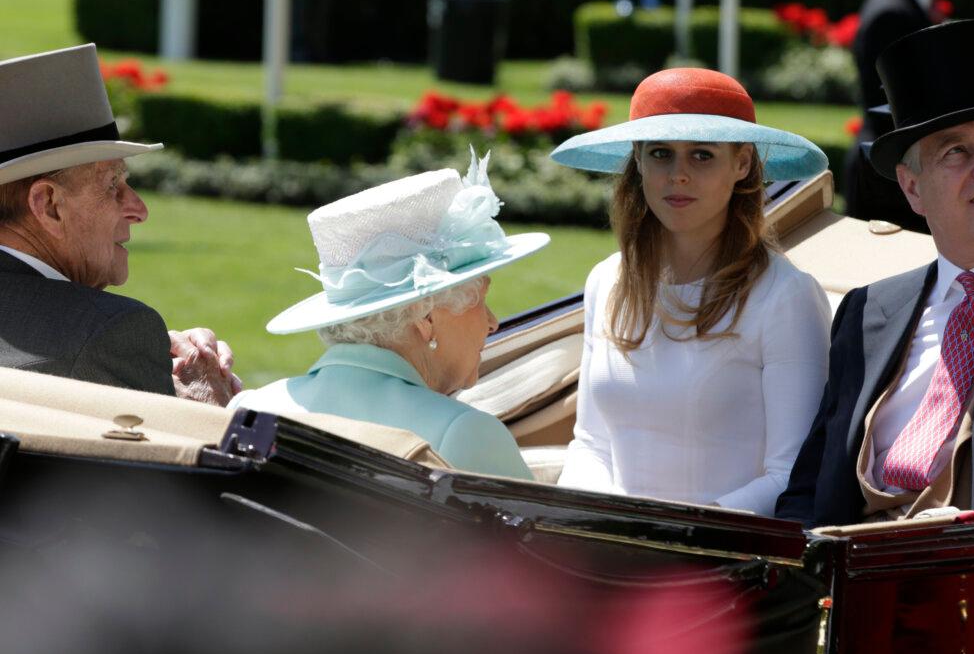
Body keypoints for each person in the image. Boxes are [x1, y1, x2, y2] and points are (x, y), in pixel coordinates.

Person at [776, 19, 974, 527]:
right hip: (849, 563)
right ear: (912, 188)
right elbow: (810, 485)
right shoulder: (868, 310)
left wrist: (970, 545)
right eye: (956, 151)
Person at [550, 68, 832, 515]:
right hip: (611, 540)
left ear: (742, 164)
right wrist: (603, 525)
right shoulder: (605, 281)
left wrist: (678, 533)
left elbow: (792, 474)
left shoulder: (787, 296)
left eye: (702, 155)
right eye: (661, 153)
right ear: (638, 161)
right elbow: (590, 444)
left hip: (725, 548)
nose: (677, 175)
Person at [230, 152, 548, 480]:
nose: (493, 322)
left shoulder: (251, 410)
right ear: (426, 317)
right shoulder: (464, 433)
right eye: (481, 300)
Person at [0, 43, 238, 404]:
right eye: (113, 184)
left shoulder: (102, 335)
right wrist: (208, 408)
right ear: (48, 205)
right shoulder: (108, 332)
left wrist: (138, 357)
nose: (139, 210)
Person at [844, 0, 955, 230]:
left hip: (899, 179)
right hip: (892, 188)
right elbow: (896, 114)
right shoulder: (892, 13)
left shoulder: (902, 4)